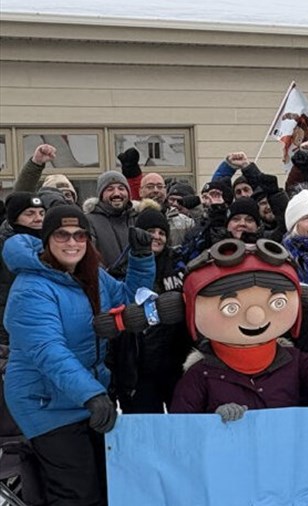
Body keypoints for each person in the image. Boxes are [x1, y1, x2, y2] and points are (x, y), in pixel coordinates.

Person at [2, 205, 154, 505]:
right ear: (47, 240)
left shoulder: (90, 275)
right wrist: (92, 394)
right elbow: (49, 351)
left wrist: (142, 259)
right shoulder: (31, 288)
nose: (72, 243)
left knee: (105, 483)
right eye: (62, 235)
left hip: (83, 396)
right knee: (77, 492)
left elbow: (128, 301)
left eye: (79, 235)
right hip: (45, 404)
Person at [169, 239, 308, 418]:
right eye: (231, 308)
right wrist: (212, 419)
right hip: (230, 453)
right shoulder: (201, 373)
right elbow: (182, 429)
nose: (255, 317)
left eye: (277, 303)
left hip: (283, 451)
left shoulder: (292, 360)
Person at [111, 207, 191, 414]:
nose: (156, 236)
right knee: (146, 433)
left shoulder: (180, 266)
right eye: (150, 231)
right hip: (138, 369)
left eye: (162, 232)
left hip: (176, 364)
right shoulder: (120, 270)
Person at [0, 193, 45, 346]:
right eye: (30, 213)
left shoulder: (53, 245)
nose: (38, 218)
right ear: (14, 218)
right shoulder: (3, 245)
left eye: (42, 213)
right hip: (7, 333)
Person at [86, 170, 138, 271]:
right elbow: (89, 256)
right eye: (110, 189)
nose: (116, 193)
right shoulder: (89, 221)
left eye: (121, 188)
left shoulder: (137, 217)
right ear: (101, 195)